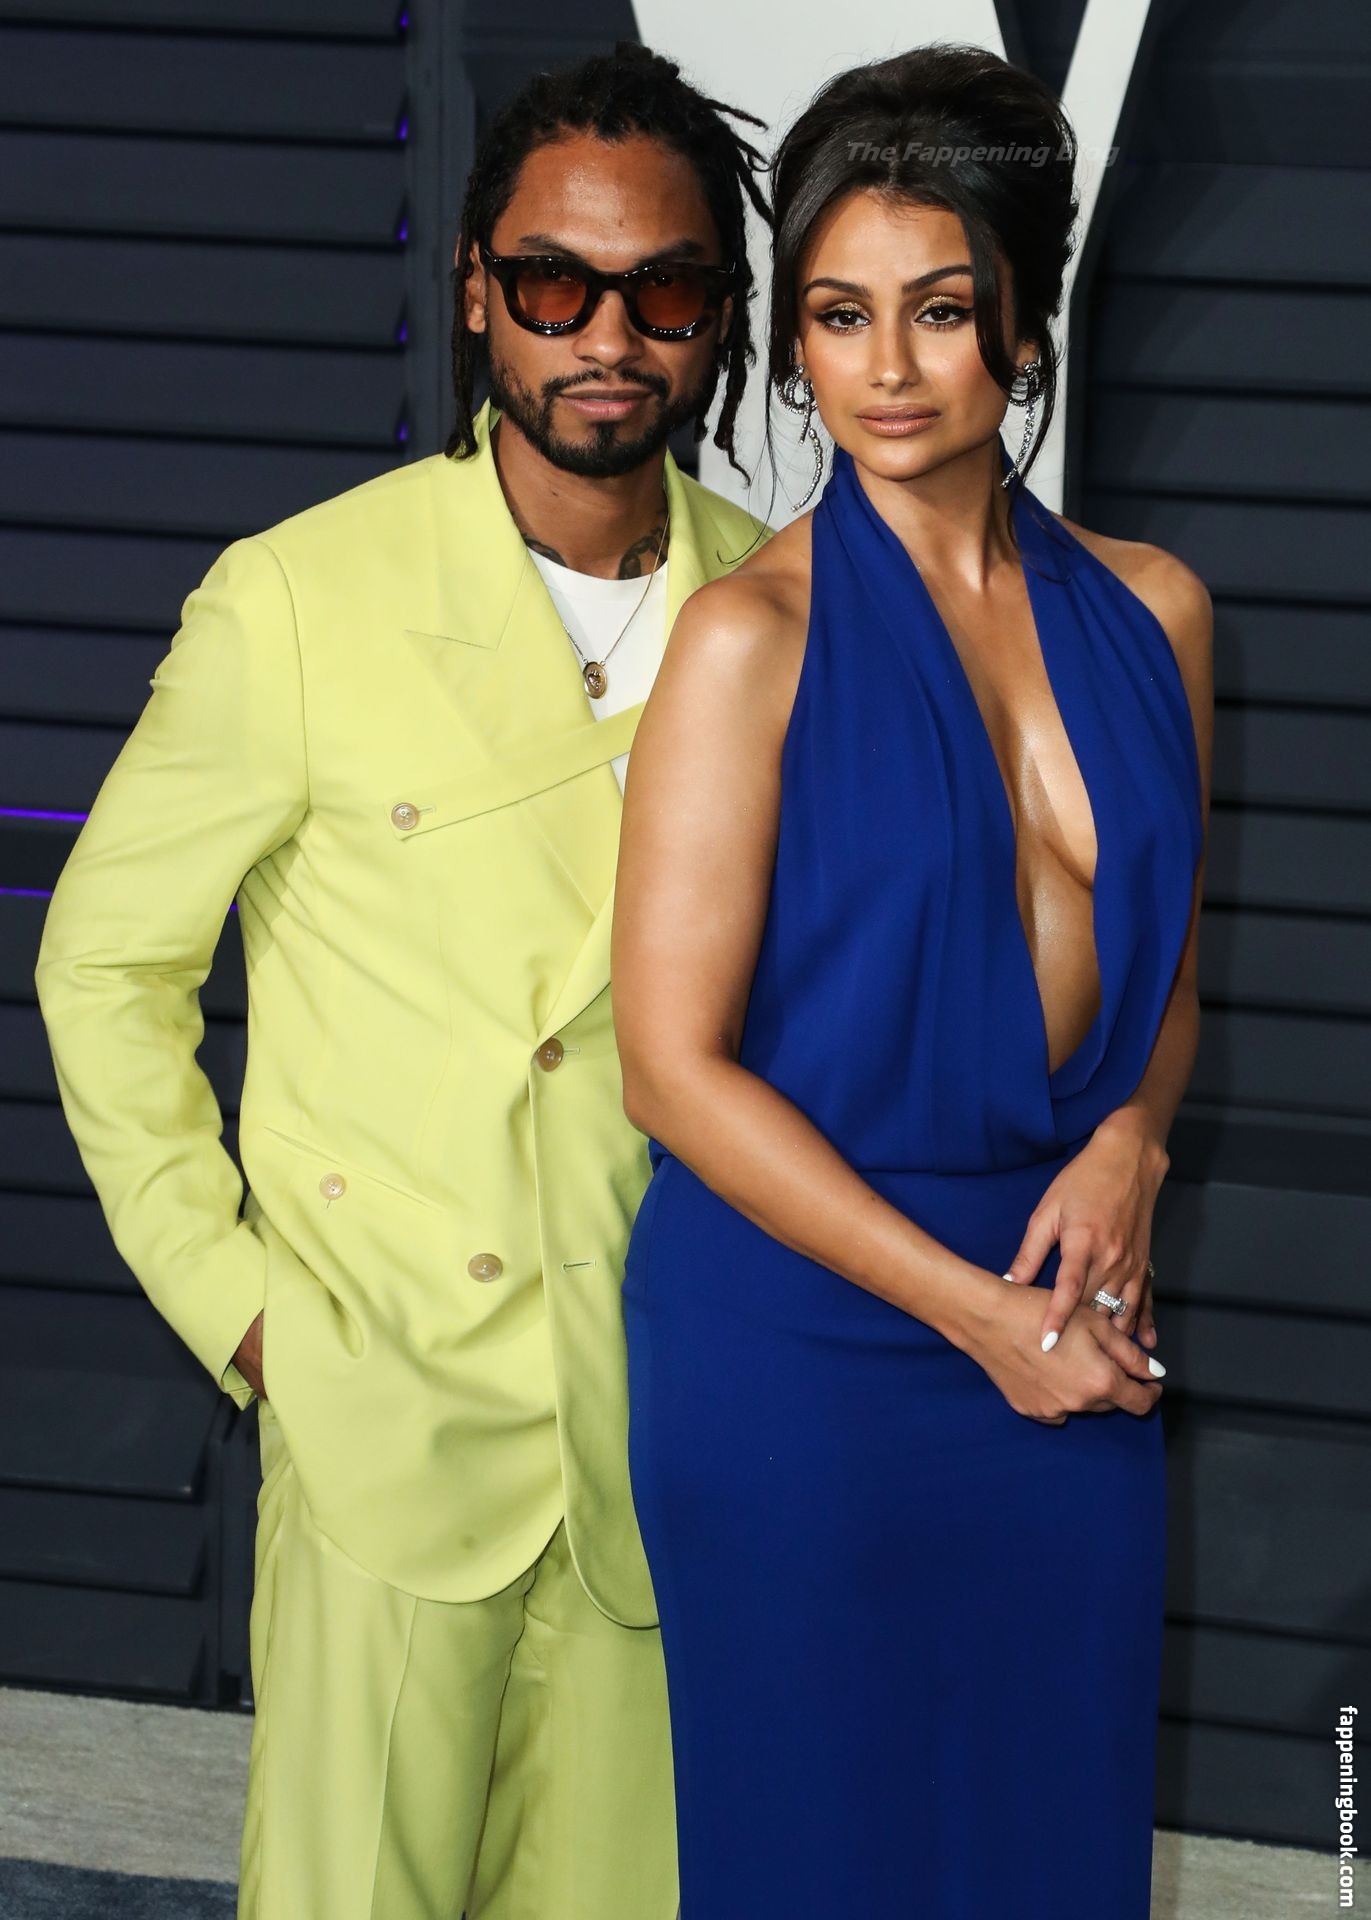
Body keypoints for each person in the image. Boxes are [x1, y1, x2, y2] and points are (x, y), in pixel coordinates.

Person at [33, 43, 771, 1920]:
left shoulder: (787, 608)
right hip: (388, 1422)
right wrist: (248, 1314)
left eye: (666, 289)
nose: (608, 337)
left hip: (661, 1442)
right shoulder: (300, 598)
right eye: (554, 284)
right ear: (475, 291)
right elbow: (104, 963)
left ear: (721, 320)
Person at [611, 43, 1212, 1920]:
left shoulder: (1158, 613)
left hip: (1067, 1316)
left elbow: (1170, 970)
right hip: (804, 1350)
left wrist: (1132, 1141)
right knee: (824, 1864)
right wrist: (974, 1319)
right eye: (839, 314)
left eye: (941, 311)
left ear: (1021, 327)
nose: (886, 367)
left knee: (1051, 1850)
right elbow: (667, 1068)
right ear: (794, 341)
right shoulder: (748, 639)